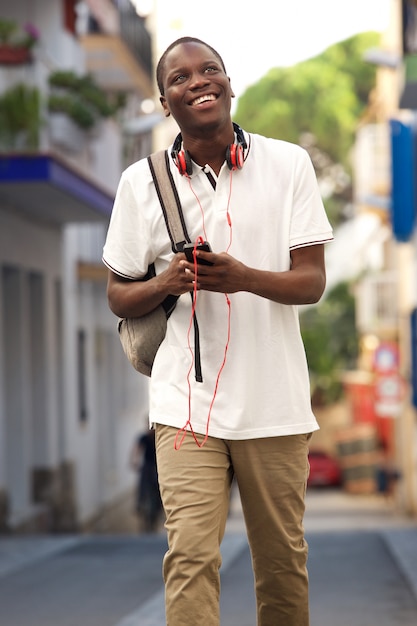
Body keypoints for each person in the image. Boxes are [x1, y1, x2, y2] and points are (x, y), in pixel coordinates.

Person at [103, 36, 333, 626]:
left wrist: (243, 277)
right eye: (180, 78)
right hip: (186, 406)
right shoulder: (141, 183)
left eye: (210, 70)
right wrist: (166, 284)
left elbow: (310, 282)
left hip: (274, 404)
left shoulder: (289, 165)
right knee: (190, 559)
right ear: (163, 102)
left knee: (281, 562)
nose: (198, 81)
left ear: (230, 83)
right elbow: (119, 293)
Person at [129, 428, 163, 532]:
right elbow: (137, 449)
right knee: (143, 487)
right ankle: (140, 505)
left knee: (159, 489)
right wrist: (134, 461)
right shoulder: (144, 437)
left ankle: (159, 509)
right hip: (147, 466)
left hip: (157, 467)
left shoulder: (158, 437)